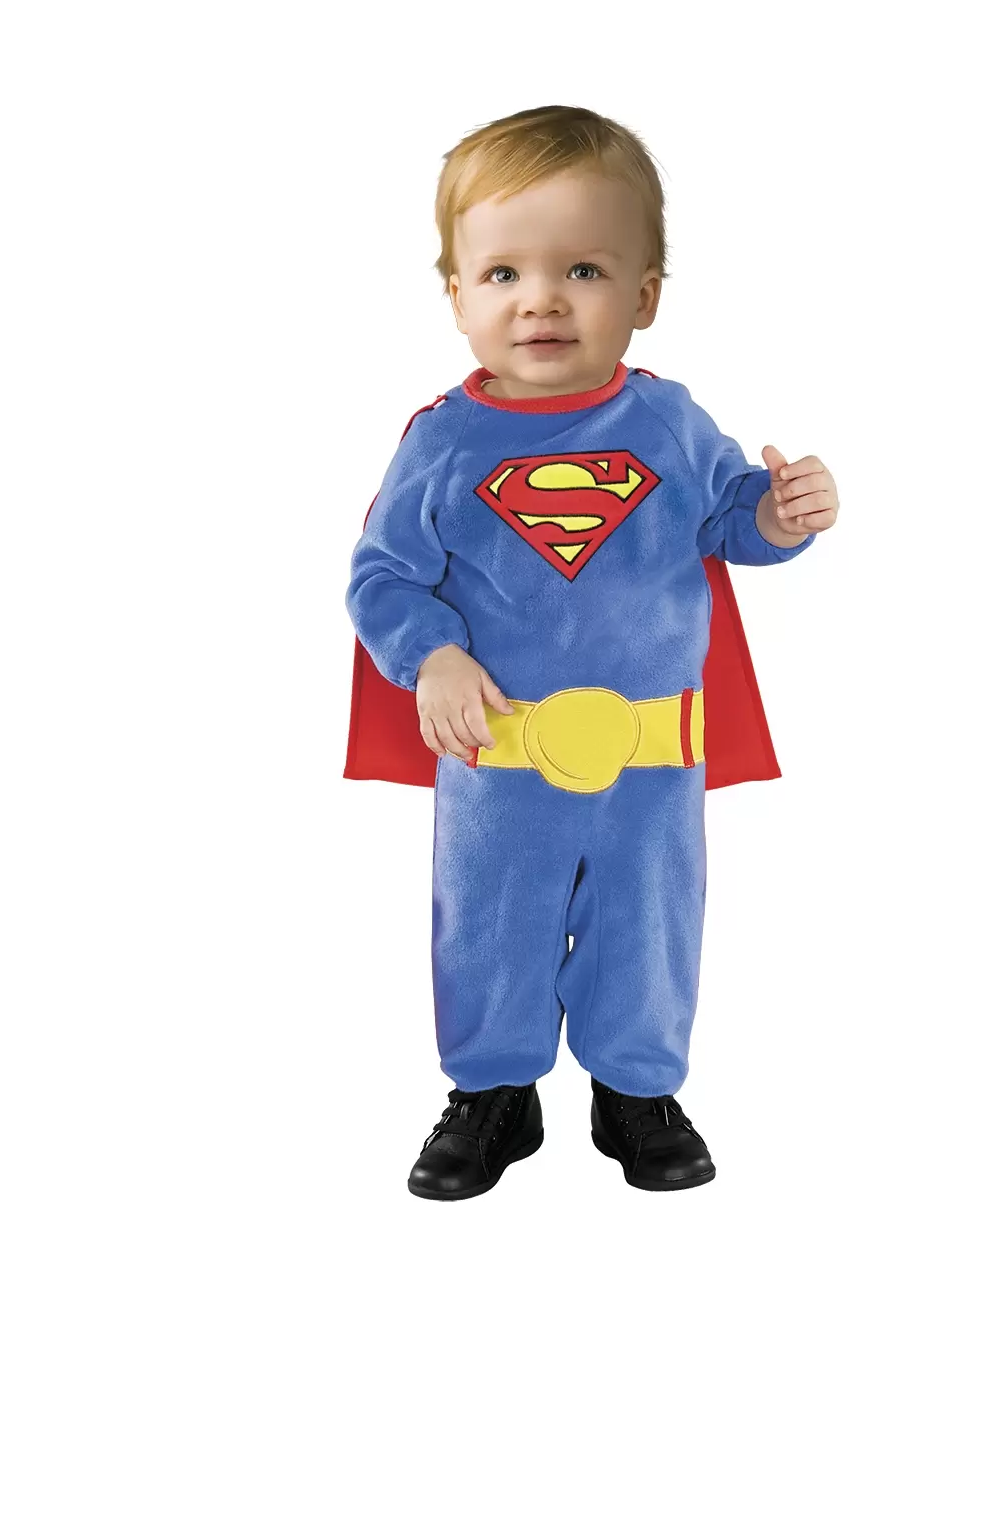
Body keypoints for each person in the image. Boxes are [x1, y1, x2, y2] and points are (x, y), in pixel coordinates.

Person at [344, 106, 838, 1197]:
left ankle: (637, 1091)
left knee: (647, 928)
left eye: (583, 269)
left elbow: (732, 519)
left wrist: (781, 514)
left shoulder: (668, 425)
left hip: (649, 761)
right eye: (504, 272)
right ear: (458, 296)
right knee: (490, 929)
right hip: (499, 757)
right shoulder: (445, 441)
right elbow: (381, 578)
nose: (542, 299)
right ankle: (492, 1093)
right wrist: (432, 657)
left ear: (644, 295)